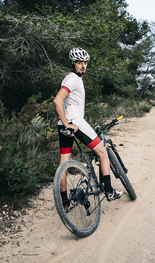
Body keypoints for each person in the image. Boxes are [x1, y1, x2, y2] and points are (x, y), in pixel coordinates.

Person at [53, 47, 122, 206]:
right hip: (75, 122)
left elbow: (62, 102)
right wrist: (68, 123)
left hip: (64, 124)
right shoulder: (73, 79)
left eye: (85, 62)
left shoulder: (69, 78)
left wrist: (63, 122)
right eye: (79, 62)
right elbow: (57, 100)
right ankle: (109, 191)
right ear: (73, 63)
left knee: (64, 162)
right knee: (102, 152)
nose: (83, 65)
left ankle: (65, 202)